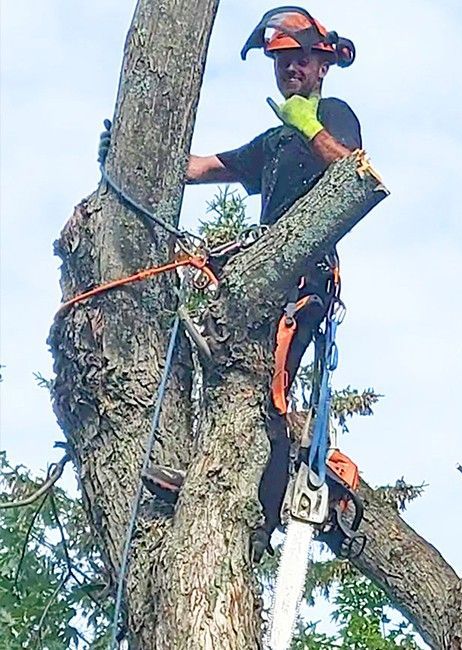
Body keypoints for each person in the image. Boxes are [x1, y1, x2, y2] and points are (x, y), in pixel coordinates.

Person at [101, 9, 363, 561]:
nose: (291, 68)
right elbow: (200, 168)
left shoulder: (334, 116)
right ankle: (208, 476)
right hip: (260, 277)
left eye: (301, 60)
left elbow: (353, 172)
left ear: (322, 65)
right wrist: (131, 152)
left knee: (263, 389)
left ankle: (260, 513)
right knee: (226, 370)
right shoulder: (272, 143)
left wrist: (310, 126)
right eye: (282, 61)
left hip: (305, 280)